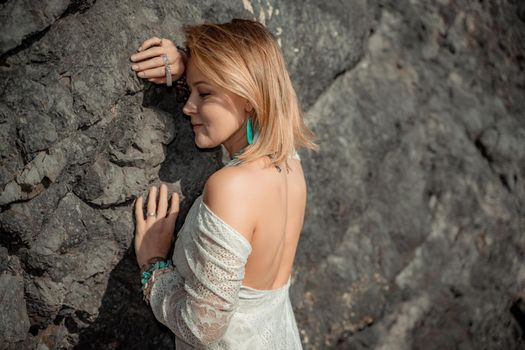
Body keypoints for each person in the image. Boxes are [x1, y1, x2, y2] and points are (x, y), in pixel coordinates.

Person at [130, 18, 318, 349]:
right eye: (191, 90)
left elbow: (203, 328)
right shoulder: (289, 159)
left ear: (248, 95)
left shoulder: (231, 187)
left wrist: (153, 267)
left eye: (203, 93)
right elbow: (262, 81)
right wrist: (189, 64)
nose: (189, 106)